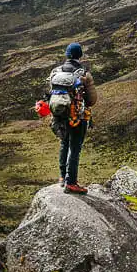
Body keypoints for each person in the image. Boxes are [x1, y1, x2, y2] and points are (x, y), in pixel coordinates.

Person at [46, 42, 97, 195]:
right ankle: (71, 183)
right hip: (77, 115)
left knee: (64, 143)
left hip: (59, 114)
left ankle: (62, 178)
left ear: (67, 55)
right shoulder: (84, 73)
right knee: (75, 148)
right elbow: (92, 100)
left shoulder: (56, 71)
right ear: (80, 55)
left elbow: (51, 93)